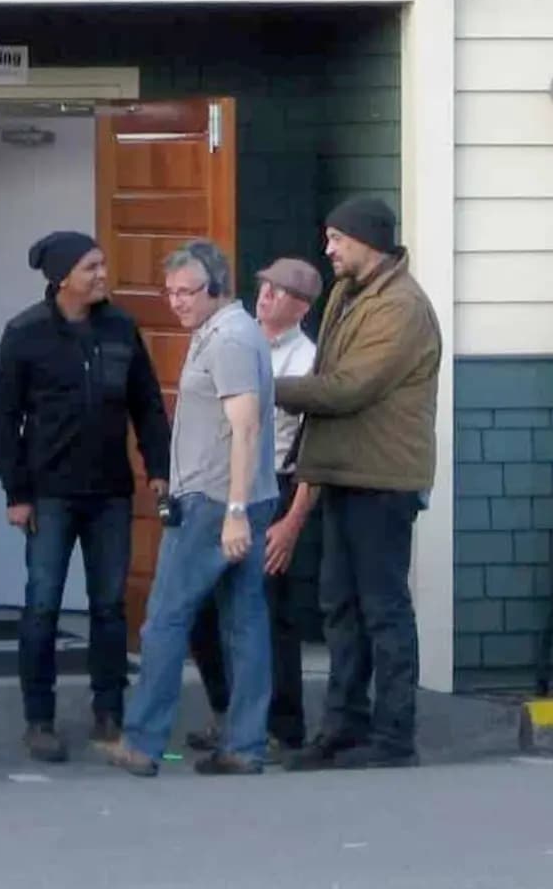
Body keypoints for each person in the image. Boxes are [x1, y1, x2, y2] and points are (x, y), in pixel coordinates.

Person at [0, 229, 170, 763]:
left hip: (110, 491)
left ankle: (109, 710)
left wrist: (157, 468)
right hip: (48, 494)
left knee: (109, 606)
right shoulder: (25, 333)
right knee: (42, 605)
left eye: (102, 265)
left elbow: (147, 404)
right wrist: (16, 491)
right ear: (62, 276)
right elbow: (2, 417)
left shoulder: (121, 328)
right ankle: (39, 718)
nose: (102, 275)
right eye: (91, 267)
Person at [276, 197, 442, 773]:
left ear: (367, 240)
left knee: (383, 608)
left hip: (383, 478)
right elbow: (331, 377)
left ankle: (394, 736)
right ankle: (343, 727)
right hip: (343, 471)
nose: (328, 250)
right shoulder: (348, 293)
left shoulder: (401, 306)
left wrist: (266, 385)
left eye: (337, 239)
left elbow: (349, 387)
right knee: (341, 607)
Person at [103, 241, 276, 777]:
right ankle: (245, 744)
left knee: (165, 620)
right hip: (237, 497)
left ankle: (142, 742)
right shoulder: (230, 331)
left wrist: (235, 511)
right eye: (171, 292)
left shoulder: (229, 339)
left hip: (214, 501)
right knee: (243, 624)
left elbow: (246, 427)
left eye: (187, 291)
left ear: (217, 287)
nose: (176, 301)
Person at [189, 256, 322, 755]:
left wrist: (291, 521)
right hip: (218, 482)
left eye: (279, 291)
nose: (266, 295)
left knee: (266, 609)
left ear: (302, 307)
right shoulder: (234, 341)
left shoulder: (307, 361)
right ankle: (227, 711)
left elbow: (312, 451)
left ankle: (281, 724)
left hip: (274, 485)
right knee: (201, 603)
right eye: (264, 285)